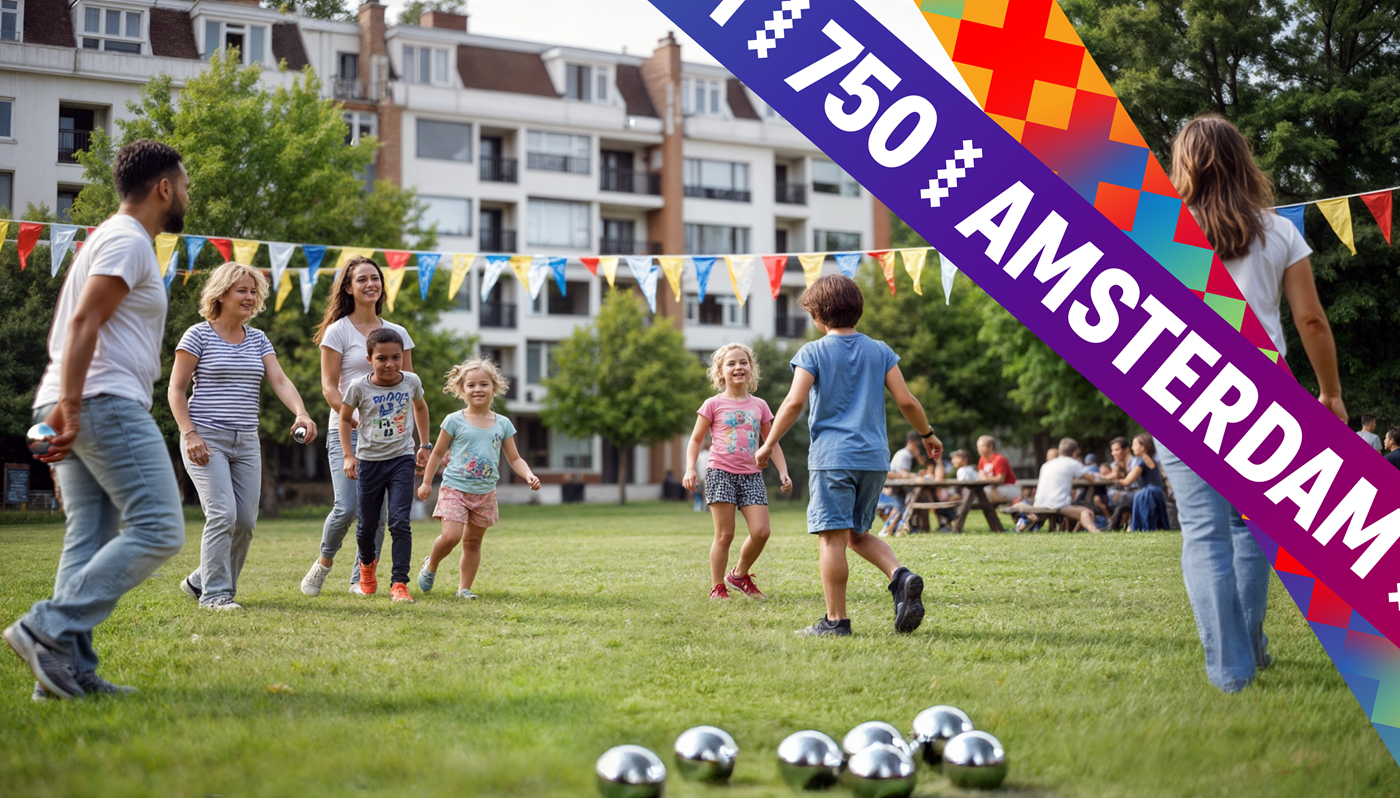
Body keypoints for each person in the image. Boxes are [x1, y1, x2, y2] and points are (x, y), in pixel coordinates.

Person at [1164, 114, 1347, 693]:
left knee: (1204, 534)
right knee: (1251, 531)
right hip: (1263, 395)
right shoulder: (1279, 231)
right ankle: (1251, 645)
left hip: (1179, 389)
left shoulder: (1160, 231)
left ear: (1184, 165)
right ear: (1243, 160)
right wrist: (1331, 394)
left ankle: (1231, 670)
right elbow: (1311, 320)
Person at [4, 140, 188, 700]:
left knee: (89, 536)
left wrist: (65, 403)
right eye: (185, 186)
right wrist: (73, 405)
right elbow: (84, 321)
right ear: (164, 188)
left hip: (75, 397)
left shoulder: (112, 238)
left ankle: (66, 673)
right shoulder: (128, 240)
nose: (187, 196)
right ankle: (44, 627)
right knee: (160, 526)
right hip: (99, 399)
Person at [755, 275, 939, 637]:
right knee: (857, 534)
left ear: (819, 315)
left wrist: (767, 443)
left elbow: (793, 402)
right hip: (873, 459)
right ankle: (901, 576)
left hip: (833, 458)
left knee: (832, 539)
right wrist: (927, 435)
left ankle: (835, 621)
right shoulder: (880, 350)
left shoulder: (813, 352)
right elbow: (906, 401)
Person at [169, 262, 317, 610]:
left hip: (247, 441)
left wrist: (301, 412)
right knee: (223, 514)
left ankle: (200, 581)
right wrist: (189, 433)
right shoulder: (197, 335)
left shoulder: (258, 339)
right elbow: (175, 390)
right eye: (242, 291)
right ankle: (216, 595)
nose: (250, 297)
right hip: (206, 438)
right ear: (221, 294)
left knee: (246, 522)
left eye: (254, 291)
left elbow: (279, 380)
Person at [300, 256, 421, 597]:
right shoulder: (338, 331)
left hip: (390, 438)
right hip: (348, 430)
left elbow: (409, 387)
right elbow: (328, 387)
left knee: (378, 515)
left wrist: (414, 440)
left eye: (375, 278)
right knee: (347, 507)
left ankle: (360, 579)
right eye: (362, 279)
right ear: (349, 288)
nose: (371, 284)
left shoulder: (397, 333)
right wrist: (355, 419)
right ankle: (324, 562)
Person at [416, 357, 540, 599]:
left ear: (494, 387)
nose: (478, 389)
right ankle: (431, 564)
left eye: (484, 384)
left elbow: (514, 458)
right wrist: (426, 482)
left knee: (472, 542)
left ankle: (463, 589)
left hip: (484, 493)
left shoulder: (503, 424)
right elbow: (438, 453)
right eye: (471, 385)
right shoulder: (454, 420)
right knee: (451, 537)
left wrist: (529, 475)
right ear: (462, 389)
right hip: (455, 489)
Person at [683, 343, 791, 600]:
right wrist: (690, 468)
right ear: (720, 372)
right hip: (720, 473)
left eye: (743, 362)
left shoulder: (760, 406)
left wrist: (783, 471)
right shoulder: (713, 404)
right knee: (725, 535)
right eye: (730, 364)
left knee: (761, 532)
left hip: (751, 476)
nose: (738, 367)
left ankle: (739, 575)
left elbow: (771, 442)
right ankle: (717, 587)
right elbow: (696, 439)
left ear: (751, 368)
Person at [340, 328, 429, 603]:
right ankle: (366, 567)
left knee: (400, 521)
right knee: (367, 525)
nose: (390, 364)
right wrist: (348, 455)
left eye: (396, 357)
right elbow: (344, 418)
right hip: (369, 462)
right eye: (382, 358)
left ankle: (399, 583)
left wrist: (424, 445)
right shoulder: (359, 387)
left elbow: (421, 407)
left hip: (402, 459)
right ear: (369, 359)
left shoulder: (411, 381)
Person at [1011, 438, 1099, 532]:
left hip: (1039, 503)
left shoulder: (1046, 465)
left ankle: (1072, 531)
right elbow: (1092, 479)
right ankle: (1094, 530)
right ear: (1074, 453)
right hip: (1058, 504)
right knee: (1087, 512)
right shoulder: (1072, 463)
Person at [976, 435, 1019, 506]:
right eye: (978, 446)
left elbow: (1000, 480)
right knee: (980, 492)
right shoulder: (982, 459)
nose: (979, 449)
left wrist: (986, 478)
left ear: (990, 447)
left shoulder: (999, 459)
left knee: (985, 491)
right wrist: (987, 478)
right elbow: (980, 475)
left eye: (982, 446)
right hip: (995, 488)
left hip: (1009, 488)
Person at [693, 442, 711, 512]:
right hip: (710, 475)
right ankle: (708, 507)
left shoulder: (700, 455)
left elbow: (697, 466)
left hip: (702, 476)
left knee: (703, 492)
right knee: (709, 492)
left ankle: (704, 506)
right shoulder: (711, 454)